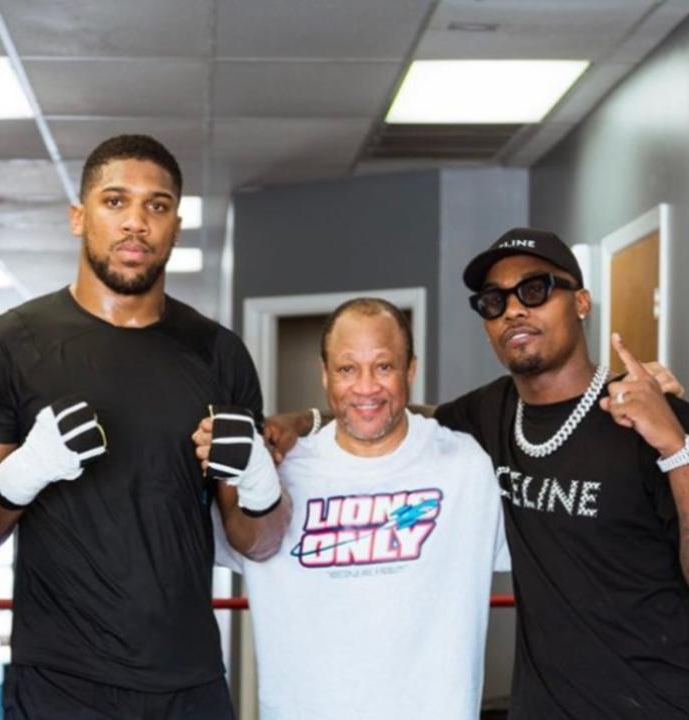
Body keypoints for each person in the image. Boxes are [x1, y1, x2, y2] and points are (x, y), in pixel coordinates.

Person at [274, 228, 689, 718]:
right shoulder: (489, 414)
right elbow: (387, 410)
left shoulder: (655, 418)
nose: (513, 310)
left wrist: (676, 447)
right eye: (493, 301)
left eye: (534, 290)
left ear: (581, 302)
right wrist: (301, 421)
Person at [0, 134, 289, 719]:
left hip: (190, 678)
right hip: (61, 679)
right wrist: (19, 477)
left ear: (176, 226)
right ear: (79, 217)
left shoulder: (218, 353)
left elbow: (258, 542)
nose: (136, 222)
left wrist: (261, 485)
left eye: (156, 206)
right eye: (114, 201)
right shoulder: (7, 344)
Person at [195, 298, 508, 719]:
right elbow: (175, 548)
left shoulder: (468, 465)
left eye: (383, 366)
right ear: (325, 375)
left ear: (410, 370)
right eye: (347, 369)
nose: (365, 387)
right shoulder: (281, 468)